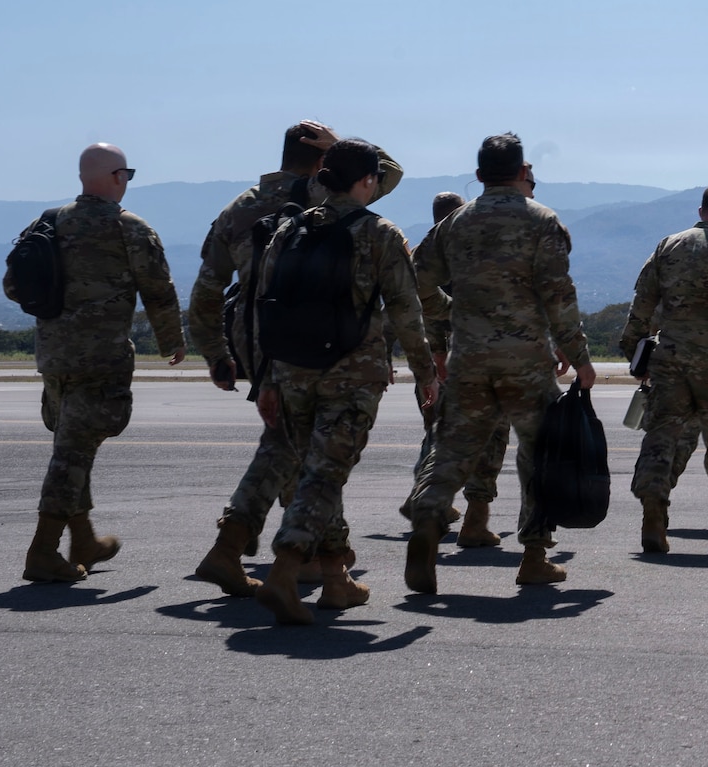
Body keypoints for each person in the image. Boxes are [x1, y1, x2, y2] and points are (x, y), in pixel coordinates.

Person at [188, 122, 415, 597]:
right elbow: (386, 173)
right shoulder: (325, 194)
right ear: (323, 162)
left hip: (261, 338)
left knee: (290, 447)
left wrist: (216, 353)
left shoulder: (239, 208)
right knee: (318, 454)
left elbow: (207, 289)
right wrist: (341, 149)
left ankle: (314, 559)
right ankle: (308, 560)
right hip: (330, 342)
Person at [252, 139, 439, 625]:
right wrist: (425, 372)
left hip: (293, 369)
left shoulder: (290, 228)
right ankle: (285, 570)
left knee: (318, 471)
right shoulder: (380, 233)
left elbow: (265, 306)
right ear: (367, 181)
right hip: (352, 375)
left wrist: (268, 377)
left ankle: (336, 579)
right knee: (325, 474)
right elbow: (406, 310)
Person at [406, 133, 596, 593]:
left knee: (452, 448)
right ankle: (534, 555)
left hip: (469, 358)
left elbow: (416, 278)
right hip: (525, 360)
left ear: (478, 176)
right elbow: (559, 296)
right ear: (522, 172)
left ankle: (428, 519)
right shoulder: (542, 220)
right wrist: (579, 355)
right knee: (539, 455)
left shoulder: (455, 222)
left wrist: (452, 312)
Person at [4, 144, 186, 582]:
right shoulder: (129, 228)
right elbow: (158, 291)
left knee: (72, 447)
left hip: (54, 358)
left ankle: (83, 539)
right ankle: (42, 551)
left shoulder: (48, 222)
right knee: (71, 455)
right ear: (118, 177)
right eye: (128, 174)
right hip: (101, 360)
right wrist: (172, 342)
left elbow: (13, 284)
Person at [622, 184, 708, 552]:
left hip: (669, 360)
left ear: (701, 211)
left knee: (660, 437)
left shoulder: (668, 246)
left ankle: (653, 515)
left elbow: (642, 301)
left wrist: (634, 351)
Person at [402, 190, 510, 550]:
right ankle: (474, 519)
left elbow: (413, 306)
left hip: (436, 362)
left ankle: (425, 500)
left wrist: (430, 359)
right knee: (491, 436)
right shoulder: (472, 247)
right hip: (472, 356)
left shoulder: (423, 252)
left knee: (439, 436)